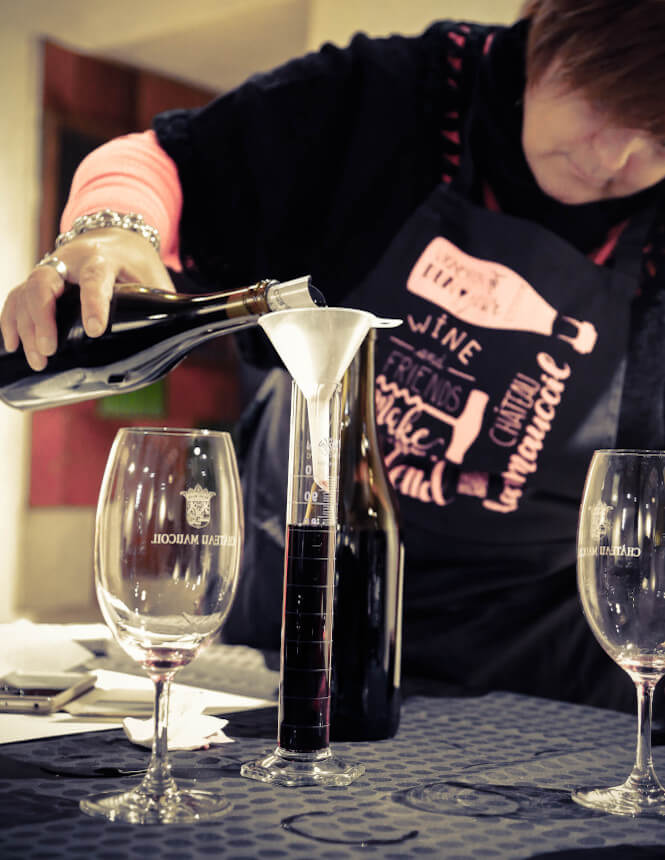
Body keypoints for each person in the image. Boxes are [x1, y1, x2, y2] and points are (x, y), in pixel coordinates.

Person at [4, 0, 665, 712]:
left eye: (659, 136)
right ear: (551, 28)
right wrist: (115, 227)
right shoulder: (391, 94)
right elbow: (161, 159)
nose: (615, 157)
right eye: (600, 101)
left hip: (547, 659)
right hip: (300, 614)